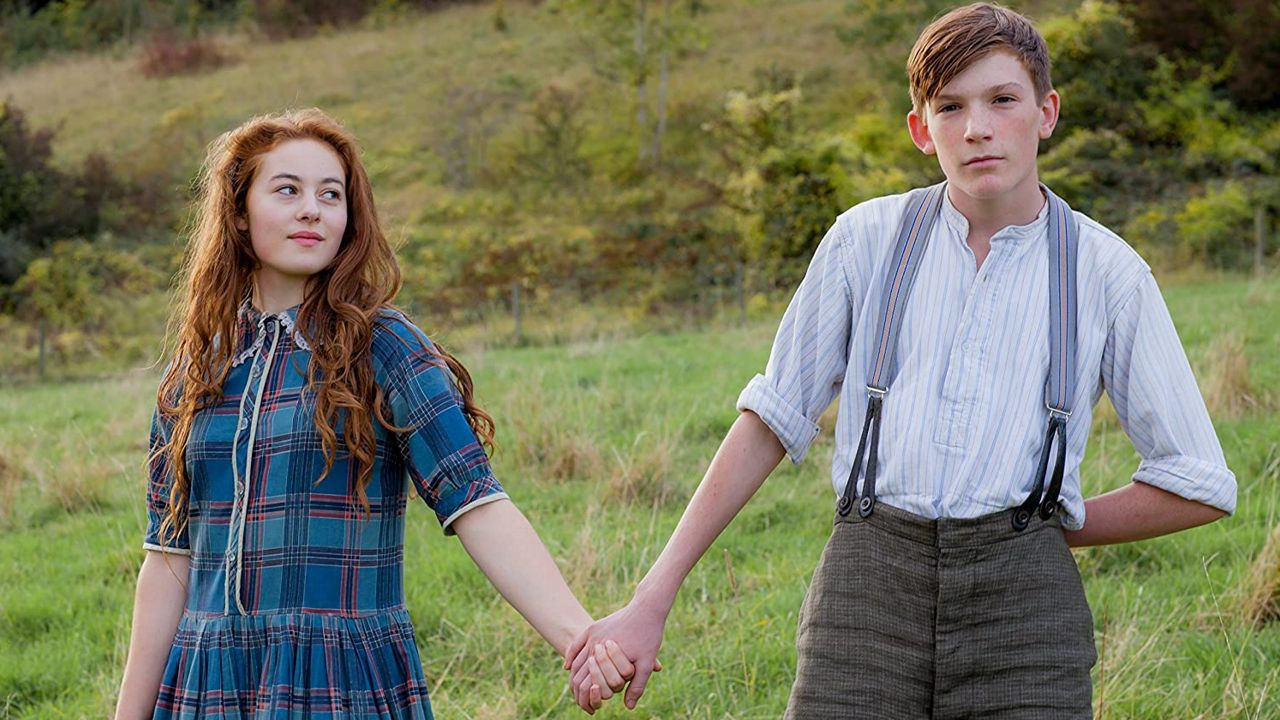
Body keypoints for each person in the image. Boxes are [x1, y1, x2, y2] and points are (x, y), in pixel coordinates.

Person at [566, 3, 1237, 717]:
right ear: (922, 130)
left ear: (1046, 112)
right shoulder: (866, 241)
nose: (976, 127)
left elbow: (1197, 482)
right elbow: (771, 419)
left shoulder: (1109, 273)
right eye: (950, 106)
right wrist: (650, 598)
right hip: (865, 594)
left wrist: (1053, 523)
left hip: (1027, 619)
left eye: (1001, 100)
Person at [112, 108, 631, 719]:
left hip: (341, 682)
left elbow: (476, 502)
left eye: (331, 195)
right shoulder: (194, 374)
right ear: (238, 213)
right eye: (288, 190)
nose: (312, 209)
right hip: (208, 685)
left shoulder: (383, 346)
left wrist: (576, 636)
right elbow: (169, 560)